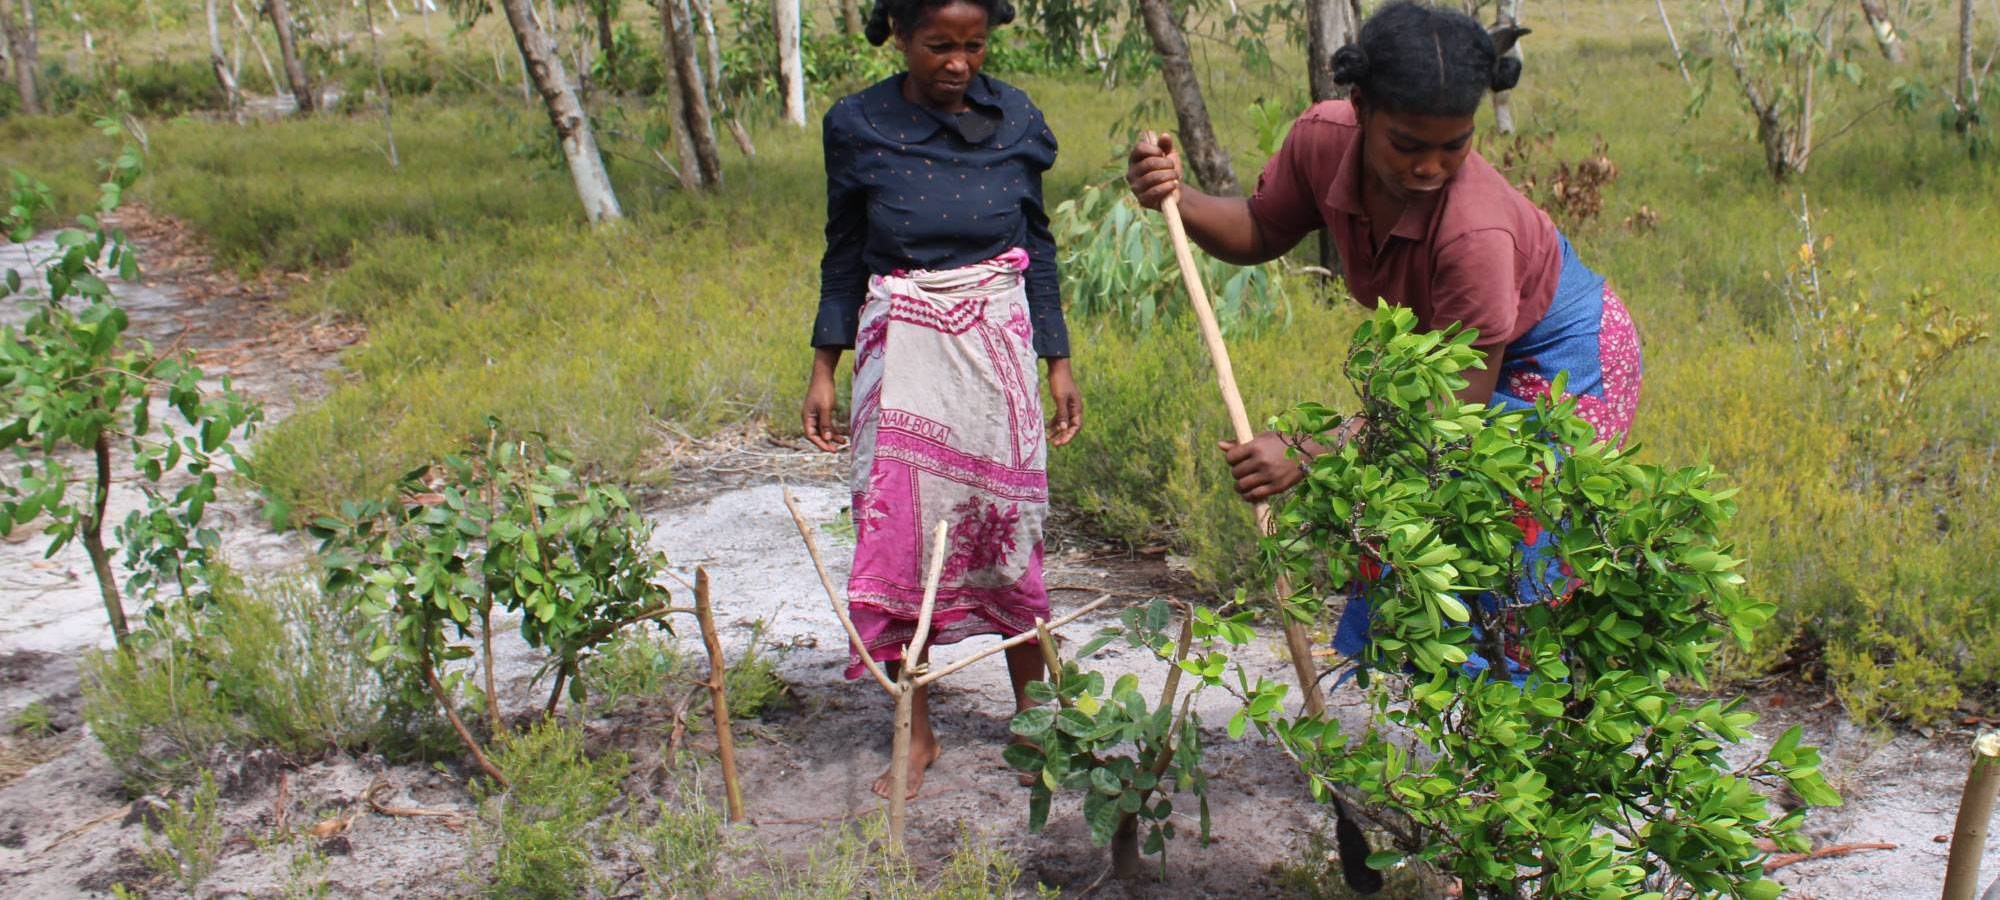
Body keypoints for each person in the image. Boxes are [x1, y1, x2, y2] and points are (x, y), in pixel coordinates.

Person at [1125, 0, 1641, 674]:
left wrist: (1308, 448)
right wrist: (1176, 195)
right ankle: (1447, 723)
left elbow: (1448, 417)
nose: (1430, 167)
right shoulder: (1320, 139)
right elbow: (1259, 228)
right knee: (1409, 526)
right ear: (1361, 106)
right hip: (1457, 365)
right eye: (1408, 144)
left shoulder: (1475, 233)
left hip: (1564, 356)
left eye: (1454, 144)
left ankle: (1520, 731)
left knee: (1504, 538)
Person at [802, 0, 1083, 800]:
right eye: (938, 47)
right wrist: (825, 366)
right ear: (899, 38)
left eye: (973, 46)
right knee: (903, 544)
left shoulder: (1017, 117)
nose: (958, 64)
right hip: (903, 353)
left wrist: (1056, 360)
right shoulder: (858, 125)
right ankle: (914, 731)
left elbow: (1041, 246)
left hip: (998, 350)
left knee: (1009, 536)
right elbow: (845, 249)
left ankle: (1041, 718)